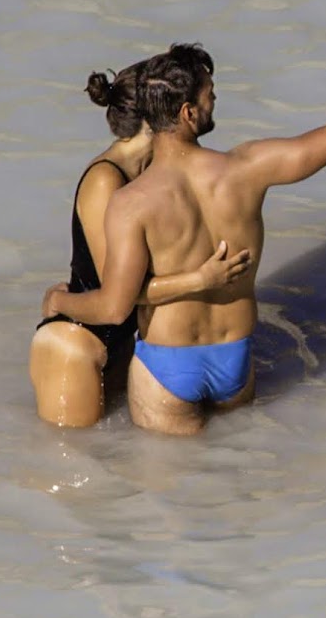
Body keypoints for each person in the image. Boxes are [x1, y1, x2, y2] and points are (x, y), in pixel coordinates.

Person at [40, 43, 326, 434]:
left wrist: (59, 300)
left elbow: (113, 308)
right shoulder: (247, 169)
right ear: (188, 113)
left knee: (168, 486)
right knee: (239, 463)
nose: (215, 100)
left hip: (168, 366)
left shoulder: (131, 202)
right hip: (236, 359)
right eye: (209, 95)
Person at [31, 55, 253, 429]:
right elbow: (116, 301)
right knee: (73, 464)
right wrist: (201, 280)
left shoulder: (155, 174)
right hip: (79, 340)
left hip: (129, 340)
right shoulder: (106, 180)